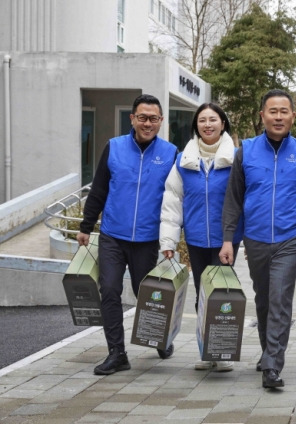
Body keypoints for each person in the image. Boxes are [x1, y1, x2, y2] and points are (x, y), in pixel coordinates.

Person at [219, 89, 296, 389]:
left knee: (279, 298)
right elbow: (234, 200)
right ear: (263, 115)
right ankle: (269, 351)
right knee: (263, 300)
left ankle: (272, 365)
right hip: (255, 239)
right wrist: (229, 240)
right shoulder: (246, 151)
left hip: (291, 239)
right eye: (272, 111)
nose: (278, 117)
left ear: (293, 115)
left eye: (284, 111)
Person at [77, 94, 178, 375]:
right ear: (132, 118)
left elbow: (176, 199)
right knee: (109, 289)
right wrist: (86, 227)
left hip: (147, 239)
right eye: (142, 117)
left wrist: (172, 237)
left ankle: (161, 338)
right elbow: (99, 190)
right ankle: (117, 353)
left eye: (153, 118)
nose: (148, 123)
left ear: (161, 121)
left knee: (146, 294)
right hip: (112, 235)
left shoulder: (170, 153)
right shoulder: (115, 147)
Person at [159, 102, 243, 372]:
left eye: (213, 119)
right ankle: (207, 351)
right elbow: (173, 202)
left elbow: (245, 198)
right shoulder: (184, 160)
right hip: (195, 238)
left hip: (226, 239)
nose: (208, 125)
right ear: (196, 125)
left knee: (222, 294)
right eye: (202, 120)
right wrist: (168, 242)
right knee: (202, 295)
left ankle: (222, 352)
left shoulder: (236, 158)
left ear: (223, 123)